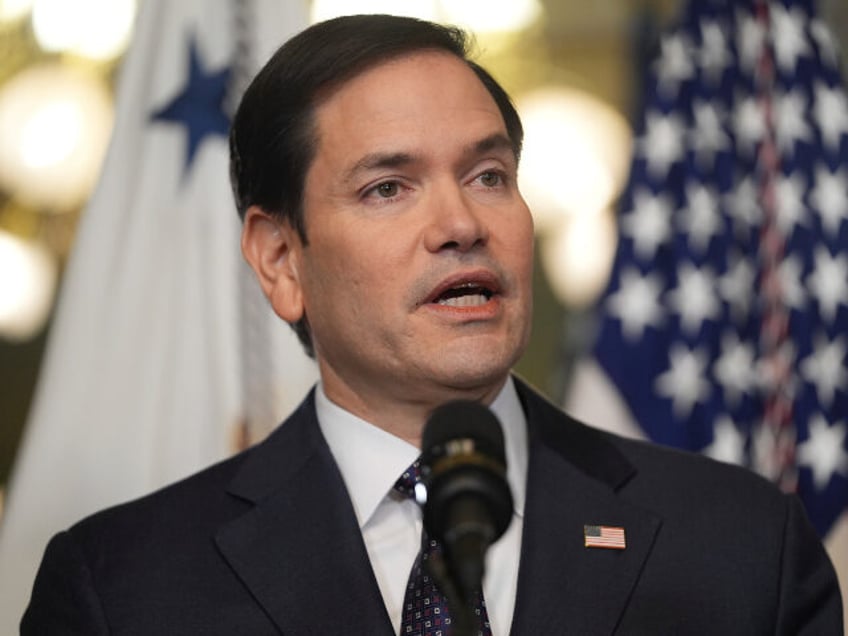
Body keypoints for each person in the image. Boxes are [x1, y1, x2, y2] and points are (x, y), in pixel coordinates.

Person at [21, 13, 842, 635]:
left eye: (489, 175)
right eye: (388, 187)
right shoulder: (122, 587)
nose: (460, 223)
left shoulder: (742, 549)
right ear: (279, 260)